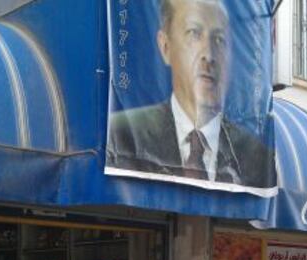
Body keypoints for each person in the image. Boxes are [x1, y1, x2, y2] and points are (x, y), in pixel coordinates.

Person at [107, 0, 276, 189]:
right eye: (194, 34)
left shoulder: (257, 157)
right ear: (165, 47)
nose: (209, 56)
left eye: (219, 40)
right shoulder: (123, 135)